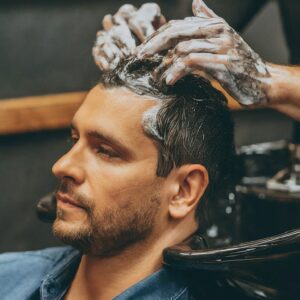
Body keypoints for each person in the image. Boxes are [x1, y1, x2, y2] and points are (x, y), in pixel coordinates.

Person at [0, 31, 235, 300]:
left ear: (183, 190)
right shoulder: (8, 279)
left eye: (106, 152)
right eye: (74, 139)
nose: (62, 165)